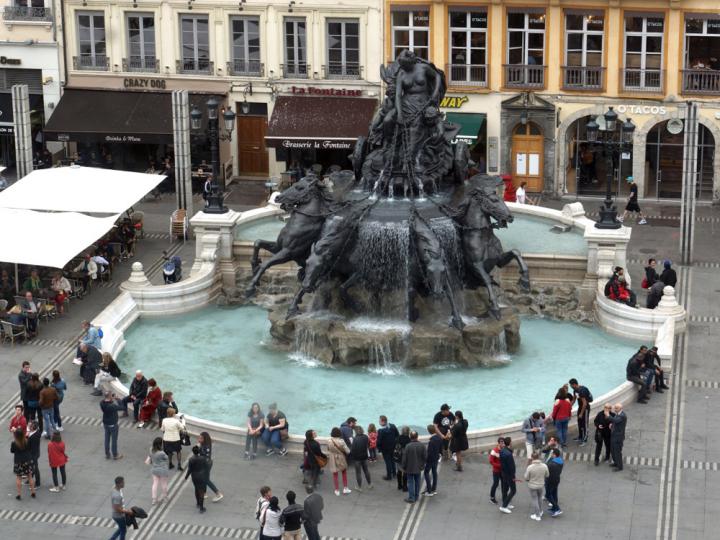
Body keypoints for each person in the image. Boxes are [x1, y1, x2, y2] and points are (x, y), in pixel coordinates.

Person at [401, 431, 426, 503]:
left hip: (409, 468)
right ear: (417, 436)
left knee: (410, 482)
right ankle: (416, 496)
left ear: (410, 437)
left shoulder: (408, 446)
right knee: (417, 482)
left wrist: (403, 467)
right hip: (418, 467)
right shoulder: (422, 445)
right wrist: (422, 465)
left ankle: (411, 498)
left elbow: (404, 458)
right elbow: (425, 457)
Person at [198, 432, 223, 502]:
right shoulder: (204, 444)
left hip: (206, 464)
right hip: (207, 463)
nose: (199, 439)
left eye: (200, 438)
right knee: (205, 478)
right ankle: (204, 493)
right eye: (199, 438)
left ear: (204, 439)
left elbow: (205, 457)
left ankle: (218, 493)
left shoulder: (206, 447)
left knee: (206, 480)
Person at [11, 428, 36, 500]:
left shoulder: (14, 443)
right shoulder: (27, 441)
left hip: (18, 462)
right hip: (27, 460)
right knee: (30, 476)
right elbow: (29, 448)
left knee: (19, 477)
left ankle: (19, 494)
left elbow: (12, 451)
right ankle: (33, 492)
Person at [524, 451, 549, 521]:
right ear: (539, 457)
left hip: (532, 486)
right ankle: (540, 511)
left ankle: (537, 515)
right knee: (540, 498)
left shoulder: (530, 467)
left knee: (535, 500)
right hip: (541, 485)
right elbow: (547, 475)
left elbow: (526, 477)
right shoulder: (544, 466)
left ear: (532, 458)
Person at [327, 427, 351, 496]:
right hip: (341, 458)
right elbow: (348, 451)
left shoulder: (329, 441)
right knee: (343, 472)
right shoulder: (341, 441)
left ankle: (337, 490)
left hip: (332, 458)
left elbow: (328, 449)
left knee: (335, 474)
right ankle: (345, 488)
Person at [185, 446, 209, 513]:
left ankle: (198, 503)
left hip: (194, 476)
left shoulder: (191, 459)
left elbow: (190, 469)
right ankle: (201, 508)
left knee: (196, 489)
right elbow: (207, 466)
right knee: (202, 491)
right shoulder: (203, 458)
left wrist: (186, 477)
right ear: (199, 451)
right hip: (202, 476)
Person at [100, 391, 123, 460]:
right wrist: (118, 399)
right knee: (114, 440)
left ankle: (107, 454)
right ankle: (115, 455)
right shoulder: (112, 406)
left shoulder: (101, 403)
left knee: (106, 439)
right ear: (110, 397)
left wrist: (111, 399)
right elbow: (122, 407)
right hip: (113, 424)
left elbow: (105, 400)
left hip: (105, 423)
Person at [569, 378, 592, 446]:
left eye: (571, 385)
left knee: (585, 424)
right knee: (579, 422)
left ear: (574, 384)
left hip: (585, 408)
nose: (571, 387)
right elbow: (574, 399)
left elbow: (584, 403)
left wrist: (581, 413)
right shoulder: (575, 390)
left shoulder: (581, 391)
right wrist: (569, 406)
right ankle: (580, 436)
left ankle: (585, 439)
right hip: (580, 407)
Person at [376, 415, 399, 481]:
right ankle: (394, 474)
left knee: (388, 462)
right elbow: (397, 435)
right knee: (392, 460)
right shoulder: (393, 426)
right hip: (392, 447)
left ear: (383, 421)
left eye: (379, 421)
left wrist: (379, 450)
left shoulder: (381, 431)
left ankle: (389, 476)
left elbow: (379, 442)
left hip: (385, 449)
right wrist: (394, 444)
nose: (379, 422)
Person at [350, 425, 372, 491]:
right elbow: (368, 445)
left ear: (355, 431)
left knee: (358, 473)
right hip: (364, 456)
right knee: (366, 470)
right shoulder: (366, 437)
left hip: (357, 458)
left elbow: (353, 450)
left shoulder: (355, 439)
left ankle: (359, 487)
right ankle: (370, 484)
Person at [498, 437, 517, 514]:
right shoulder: (508, 454)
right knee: (513, 490)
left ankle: (505, 502)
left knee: (505, 489)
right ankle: (504, 506)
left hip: (504, 473)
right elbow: (511, 466)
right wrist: (513, 476)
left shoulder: (502, 451)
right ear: (509, 443)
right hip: (509, 475)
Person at [148, 437, 169, 504]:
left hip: (154, 469)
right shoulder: (161, 453)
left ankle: (154, 499)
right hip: (162, 470)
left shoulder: (151, 449)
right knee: (164, 484)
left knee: (155, 484)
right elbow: (166, 458)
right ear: (160, 444)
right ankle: (165, 497)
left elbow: (150, 457)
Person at [423, 425, 443, 496]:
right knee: (434, 472)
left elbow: (429, 452)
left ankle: (429, 490)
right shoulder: (439, 438)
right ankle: (434, 489)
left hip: (430, 459)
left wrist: (426, 460)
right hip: (436, 458)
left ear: (429, 431)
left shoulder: (431, 441)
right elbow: (441, 449)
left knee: (426, 473)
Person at [607, 403, 627, 471]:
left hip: (618, 437)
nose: (615, 409)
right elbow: (615, 422)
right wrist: (612, 424)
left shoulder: (622, 416)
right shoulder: (618, 414)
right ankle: (615, 462)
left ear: (620, 409)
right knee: (613, 450)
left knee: (617, 452)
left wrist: (608, 415)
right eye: (615, 408)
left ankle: (619, 466)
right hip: (614, 435)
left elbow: (615, 420)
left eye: (616, 408)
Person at [546, 448, 564, 517]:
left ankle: (557, 508)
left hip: (550, 481)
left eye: (552, 454)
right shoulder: (561, 461)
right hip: (557, 480)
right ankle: (554, 508)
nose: (551, 455)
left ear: (554, 454)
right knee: (554, 494)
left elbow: (547, 472)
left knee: (548, 495)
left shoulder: (551, 464)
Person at [489, 436, 505, 504]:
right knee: (495, 484)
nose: (502, 444)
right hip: (496, 471)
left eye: (503, 442)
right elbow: (491, 461)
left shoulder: (504, 449)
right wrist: (499, 466)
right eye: (501, 442)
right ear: (498, 443)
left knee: (504, 484)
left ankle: (504, 496)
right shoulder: (494, 451)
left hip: (503, 471)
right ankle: (492, 498)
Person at [395, 425, 411, 492]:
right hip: (406, 457)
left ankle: (399, 485)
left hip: (399, 456)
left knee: (399, 471)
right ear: (408, 432)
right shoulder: (409, 439)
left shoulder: (398, 438)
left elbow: (396, 447)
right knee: (405, 472)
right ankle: (405, 487)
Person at [28, 420, 42, 487]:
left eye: (30, 426)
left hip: (33, 454)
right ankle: (30, 478)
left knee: (35, 468)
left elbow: (29, 446)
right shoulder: (36, 432)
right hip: (35, 453)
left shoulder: (33, 436)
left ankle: (38, 483)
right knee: (31, 467)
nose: (28, 426)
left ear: (33, 427)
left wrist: (26, 437)